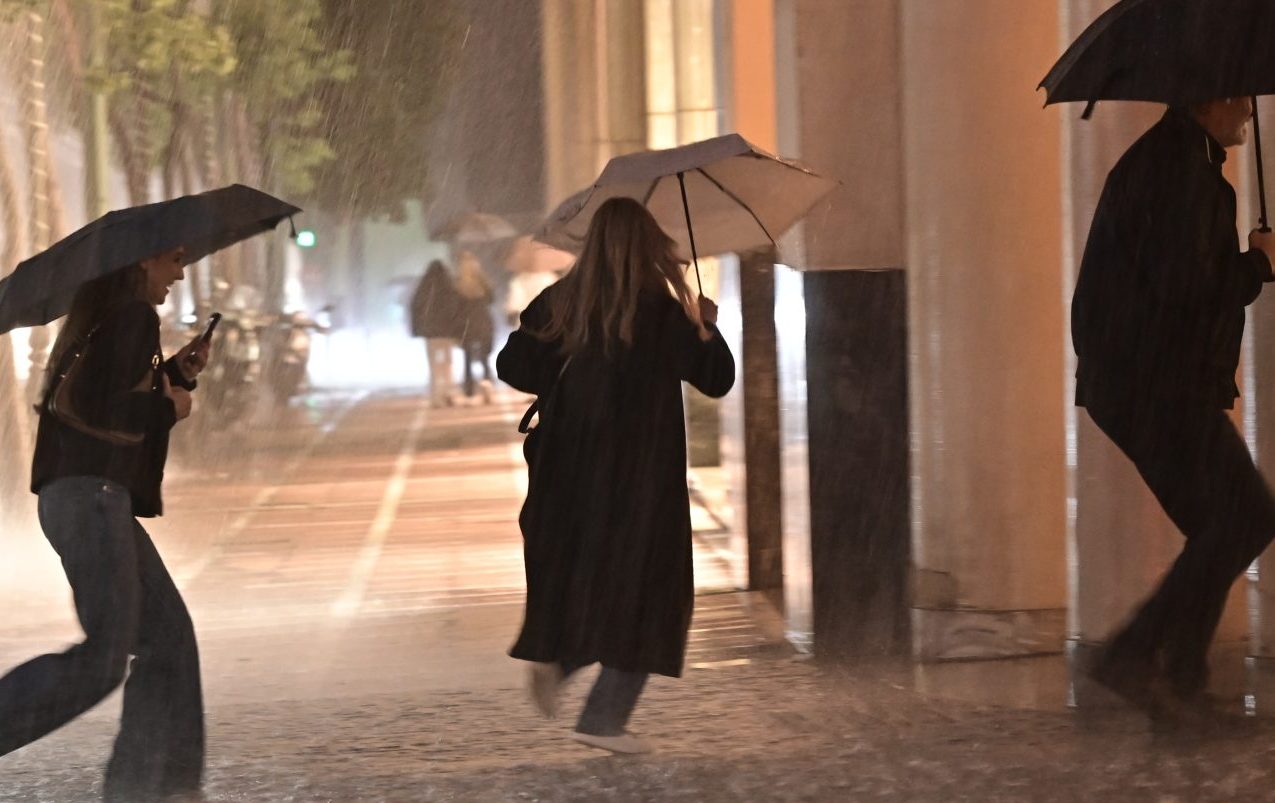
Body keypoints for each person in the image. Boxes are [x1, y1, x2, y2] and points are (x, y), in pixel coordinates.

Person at [496, 197, 735, 754]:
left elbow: (513, 367)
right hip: (643, 478)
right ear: (649, 247)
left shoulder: (561, 302)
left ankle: (562, 660)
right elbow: (717, 379)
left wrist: (559, 354)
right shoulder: (664, 313)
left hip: (572, 473)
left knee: (590, 577)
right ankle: (602, 718)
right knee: (649, 591)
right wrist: (706, 327)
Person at [1073, 97, 1275, 723]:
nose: (1248, 111)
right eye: (1239, 97)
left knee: (1225, 525)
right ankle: (1134, 656)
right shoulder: (1178, 171)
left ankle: (1180, 678)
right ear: (1209, 101)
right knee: (1245, 517)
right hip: (1153, 382)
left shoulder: (1181, 162)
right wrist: (1259, 263)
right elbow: (1188, 287)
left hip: (1147, 379)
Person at [0, 247, 211, 801]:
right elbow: (105, 409)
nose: (180, 272)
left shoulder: (104, 315)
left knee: (168, 636)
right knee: (103, 660)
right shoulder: (133, 315)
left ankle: (154, 786)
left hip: (85, 496)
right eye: (173, 260)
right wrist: (171, 407)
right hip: (91, 497)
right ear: (141, 260)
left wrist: (173, 374)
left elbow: (101, 394)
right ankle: (154, 785)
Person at [409, 259, 464, 407]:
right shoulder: (449, 287)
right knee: (447, 363)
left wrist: (417, 329)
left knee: (434, 365)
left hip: (430, 333)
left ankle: (435, 396)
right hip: (446, 331)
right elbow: (456, 310)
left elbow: (415, 307)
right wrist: (458, 330)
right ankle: (448, 392)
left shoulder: (424, 288)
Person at [454, 250, 496, 403]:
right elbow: (491, 299)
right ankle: (487, 385)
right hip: (482, 320)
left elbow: (455, 307)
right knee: (484, 357)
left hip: (466, 323)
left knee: (467, 357)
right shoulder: (482, 282)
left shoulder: (458, 284)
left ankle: (469, 389)